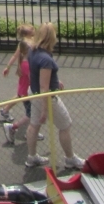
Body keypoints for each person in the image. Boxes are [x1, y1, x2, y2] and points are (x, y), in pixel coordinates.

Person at [25, 22, 84, 170]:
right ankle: (70, 159)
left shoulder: (33, 50)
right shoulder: (46, 59)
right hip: (45, 97)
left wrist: (55, 81)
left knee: (34, 125)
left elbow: (38, 75)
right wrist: (45, 110)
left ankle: (32, 157)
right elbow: (45, 88)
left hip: (33, 92)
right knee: (65, 124)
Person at [3, 39, 44, 145]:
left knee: (33, 113)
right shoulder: (26, 65)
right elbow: (33, 79)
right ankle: (13, 127)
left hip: (23, 91)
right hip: (26, 93)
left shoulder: (25, 61)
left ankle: (31, 131)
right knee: (30, 114)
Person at [0, 22, 35, 121]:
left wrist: (8, 67)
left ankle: (5, 111)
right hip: (28, 67)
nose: (34, 30)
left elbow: (15, 56)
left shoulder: (23, 43)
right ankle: (29, 116)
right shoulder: (31, 42)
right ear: (28, 33)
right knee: (25, 91)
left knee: (22, 92)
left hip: (24, 66)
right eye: (32, 29)